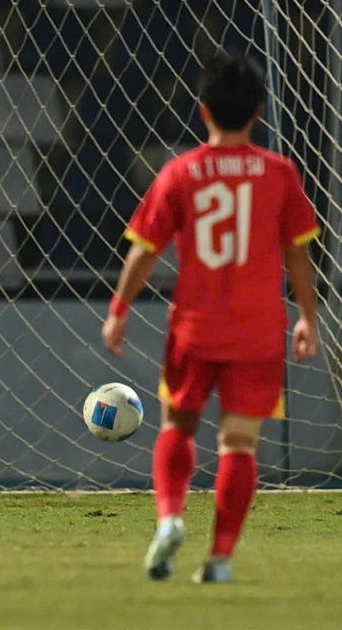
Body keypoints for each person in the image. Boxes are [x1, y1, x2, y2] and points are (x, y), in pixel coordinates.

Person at [102, 52, 321, 583]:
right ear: (260, 113)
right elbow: (298, 254)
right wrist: (309, 317)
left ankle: (172, 516)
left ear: (202, 111)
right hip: (259, 330)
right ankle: (220, 559)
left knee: (178, 422)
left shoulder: (182, 171)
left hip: (195, 325)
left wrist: (118, 310)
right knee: (239, 443)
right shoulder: (280, 173)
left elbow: (145, 251)